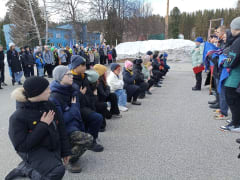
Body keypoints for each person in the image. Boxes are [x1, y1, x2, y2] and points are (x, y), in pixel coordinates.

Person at [6, 76, 71, 180]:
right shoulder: (18, 117)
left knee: (57, 165)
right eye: (47, 89)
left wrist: (66, 151)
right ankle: (26, 170)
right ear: (37, 93)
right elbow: (21, 147)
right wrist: (43, 125)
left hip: (52, 145)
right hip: (33, 150)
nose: (50, 91)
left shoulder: (49, 105)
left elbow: (61, 128)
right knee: (57, 170)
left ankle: (26, 167)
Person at [50, 65, 94, 173]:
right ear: (60, 77)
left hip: (76, 124)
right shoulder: (55, 96)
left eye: (71, 74)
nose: (71, 76)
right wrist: (73, 108)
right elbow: (61, 121)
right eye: (68, 74)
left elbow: (78, 110)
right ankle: (67, 159)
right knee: (88, 139)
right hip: (66, 129)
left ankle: (69, 152)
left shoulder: (72, 89)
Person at [70, 55, 104, 152]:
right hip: (78, 106)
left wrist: (93, 96)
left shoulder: (83, 76)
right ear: (76, 66)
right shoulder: (71, 79)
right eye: (83, 65)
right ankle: (91, 142)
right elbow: (73, 97)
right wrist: (80, 94)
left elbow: (88, 92)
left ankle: (90, 137)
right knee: (97, 117)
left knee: (97, 114)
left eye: (85, 64)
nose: (86, 66)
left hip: (87, 103)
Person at [220, 17, 240, 132]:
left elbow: (232, 59)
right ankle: (236, 120)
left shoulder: (238, 41)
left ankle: (236, 123)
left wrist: (225, 63)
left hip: (236, 75)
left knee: (231, 97)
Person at [93, 64, 122, 129]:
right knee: (108, 116)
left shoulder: (103, 80)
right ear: (101, 73)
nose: (106, 73)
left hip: (103, 98)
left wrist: (107, 88)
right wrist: (108, 88)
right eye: (105, 72)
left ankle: (114, 111)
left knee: (113, 95)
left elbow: (106, 89)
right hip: (100, 101)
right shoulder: (99, 82)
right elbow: (104, 94)